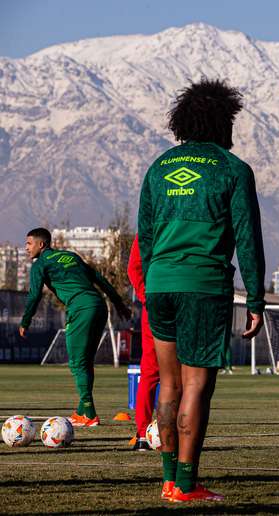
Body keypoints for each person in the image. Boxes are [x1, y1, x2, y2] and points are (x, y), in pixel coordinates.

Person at [138, 79, 266, 501]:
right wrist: (257, 299)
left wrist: (154, 280)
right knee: (196, 386)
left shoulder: (159, 167)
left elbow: (145, 235)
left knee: (169, 385)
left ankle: (169, 479)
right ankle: (188, 485)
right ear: (222, 121)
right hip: (203, 286)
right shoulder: (232, 169)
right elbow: (248, 240)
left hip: (159, 283)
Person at [20, 227, 131, 427]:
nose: (26, 248)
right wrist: (118, 303)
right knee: (86, 362)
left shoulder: (40, 265)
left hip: (81, 309)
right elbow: (99, 278)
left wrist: (25, 320)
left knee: (77, 363)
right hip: (98, 306)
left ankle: (89, 414)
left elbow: (34, 295)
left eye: (29, 243)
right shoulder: (70, 256)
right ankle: (81, 411)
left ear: (41, 244)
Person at [127, 234, 159, 451]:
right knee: (189, 372)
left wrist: (146, 296)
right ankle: (179, 432)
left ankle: (142, 435)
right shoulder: (190, 217)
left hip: (156, 303)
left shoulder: (148, 226)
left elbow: (133, 267)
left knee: (151, 372)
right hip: (184, 303)